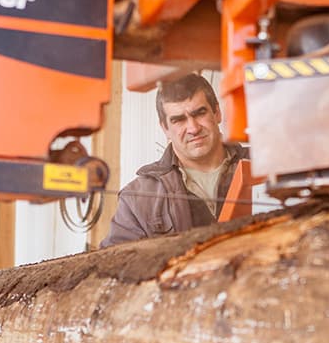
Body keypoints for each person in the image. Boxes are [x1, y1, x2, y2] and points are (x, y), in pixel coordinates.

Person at [99, 73, 247, 248]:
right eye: (179, 120)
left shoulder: (263, 167)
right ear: (165, 128)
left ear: (217, 113)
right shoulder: (137, 199)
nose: (193, 128)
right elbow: (115, 263)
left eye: (199, 113)